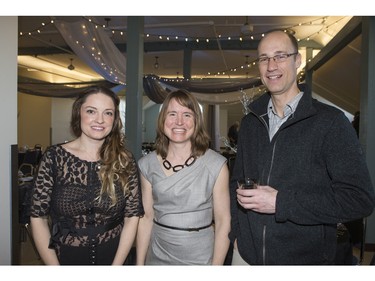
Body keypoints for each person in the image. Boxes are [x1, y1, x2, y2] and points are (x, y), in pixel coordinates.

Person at [229, 29, 375, 265]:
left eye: (280, 56)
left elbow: (359, 199)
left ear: (297, 61)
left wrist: (281, 203)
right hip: (247, 257)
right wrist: (237, 236)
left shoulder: (330, 122)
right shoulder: (250, 123)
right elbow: (235, 183)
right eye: (264, 58)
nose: (271, 65)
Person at [30, 86, 144, 265]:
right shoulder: (54, 157)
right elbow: (38, 217)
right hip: (65, 258)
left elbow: (132, 217)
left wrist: (116, 268)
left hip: (115, 256)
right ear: (78, 113)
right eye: (91, 111)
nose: (100, 120)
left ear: (114, 120)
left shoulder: (124, 160)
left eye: (108, 113)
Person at [136, 89, 231, 265]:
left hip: (201, 257)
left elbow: (223, 221)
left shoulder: (216, 165)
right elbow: (147, 218)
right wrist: (139, 265)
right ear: (163, 119)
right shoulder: (146, 164)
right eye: (172, 114)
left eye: (187, 114)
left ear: (196, 121)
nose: (179, 122)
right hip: (157, 256)